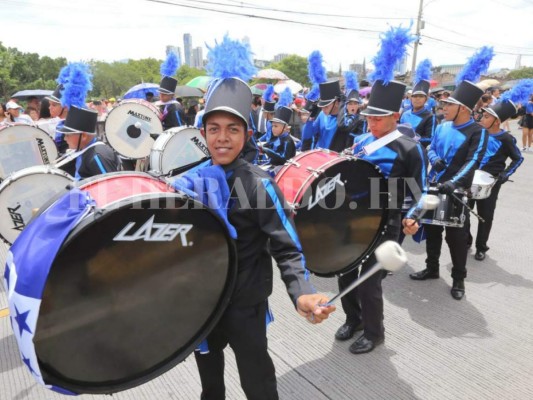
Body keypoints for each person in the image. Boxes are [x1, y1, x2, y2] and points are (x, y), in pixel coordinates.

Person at [191, 76, 335, 399]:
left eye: (233, 129)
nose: (222, 138)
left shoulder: (259, 185)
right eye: (214, 129)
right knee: (210, 386)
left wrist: (302, 292)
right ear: (203, 134)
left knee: (258, 383)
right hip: (203, 306)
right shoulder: (192, 181)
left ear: (247, 134)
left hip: (245, 304)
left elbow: (287, 247)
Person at [335, 79, 428, 354]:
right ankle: (355, 319)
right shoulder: (361, 141)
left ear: (395, 117)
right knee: (345, 272)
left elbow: (421, 190)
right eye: (369, 118)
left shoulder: (410, 148)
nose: (371, 124)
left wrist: (413, 216)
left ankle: (375, 333)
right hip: (353, 216)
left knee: (369, 280)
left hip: (386, 222)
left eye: (378, 119)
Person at [410, 80, 487, 301]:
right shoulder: (442, 125)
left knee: (456, 238)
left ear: (462, 108)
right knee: (432, 231)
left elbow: (474, 160)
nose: (444, 109)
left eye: (448, 106)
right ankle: (432, 268)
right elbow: (430, 147)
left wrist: (454, 182)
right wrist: (435, 159)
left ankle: (458, 279)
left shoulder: (477, 131)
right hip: (434, 185)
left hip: (456, 190)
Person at [465, 100, 523, 261]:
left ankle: (481, 246)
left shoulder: (506, 139)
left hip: (490, 183)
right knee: (464, 211)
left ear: (496, 121)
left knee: (485, 215)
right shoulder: (476, 133)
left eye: (486, 117)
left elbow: (518, 158)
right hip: (470, 179)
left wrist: (506, 173)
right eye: (482, 116)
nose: (481, 119)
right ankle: (466, 239)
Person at [59, 105, 120, 180]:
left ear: (84, 136)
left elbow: (109, 185)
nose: (65, 139)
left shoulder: (97, 157)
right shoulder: (83, 148)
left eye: (68, 135)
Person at [399, 79, 437, 147]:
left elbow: (430, 138)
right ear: (411, 98)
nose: (417, 99)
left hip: (418, 150)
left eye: (421, 96)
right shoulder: (405, 114)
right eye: (415, 96)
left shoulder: (430, 116)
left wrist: (413, 139)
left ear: (426, 99)